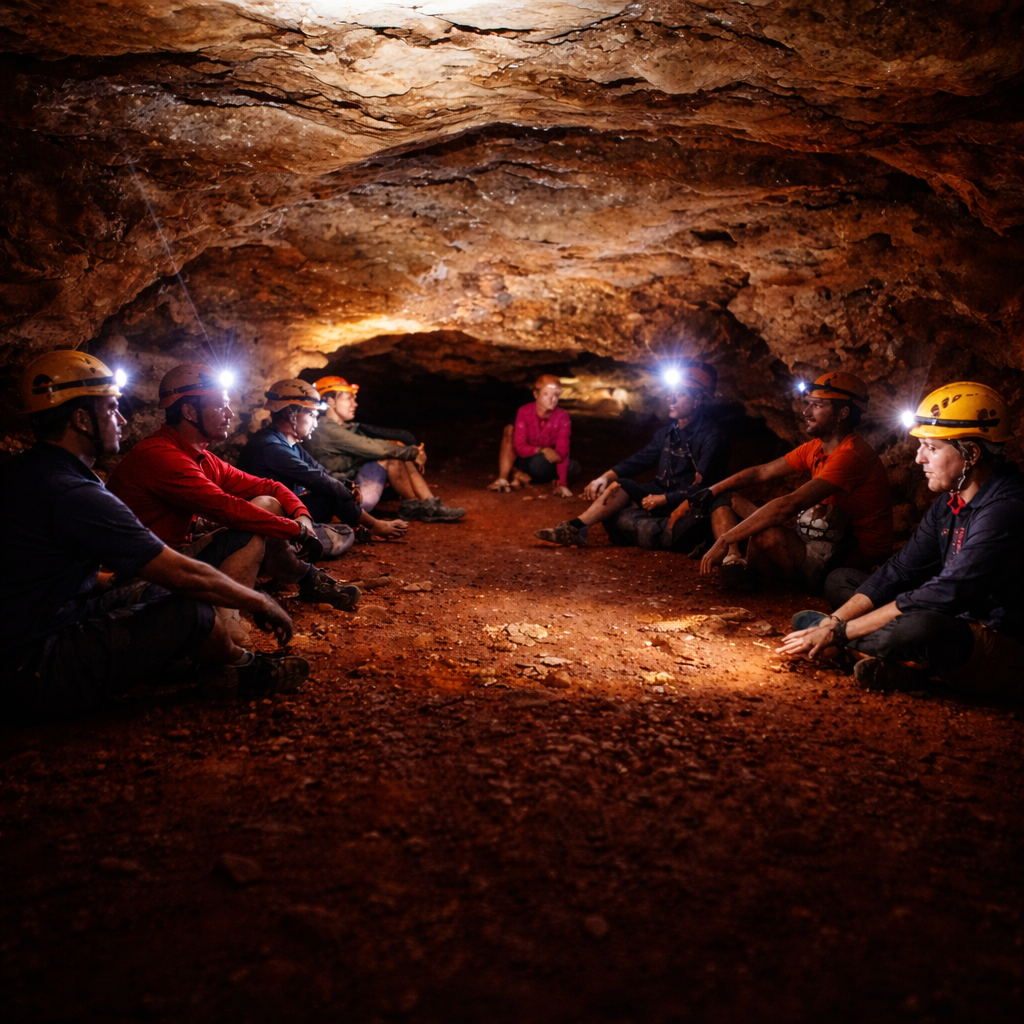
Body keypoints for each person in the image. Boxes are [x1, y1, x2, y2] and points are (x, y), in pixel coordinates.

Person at [0, 350, 309, 721]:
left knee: (160, 597)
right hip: (33, 667)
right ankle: (242, 669)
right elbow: (181, 572)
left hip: (36, 630)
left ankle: (178, 662)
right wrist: (260, 601)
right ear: (81, 420)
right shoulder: (75, 493)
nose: (122, 419)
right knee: (188, 608)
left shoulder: (25, 472)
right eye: (112, 409)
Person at [778, 381, 1023, 697]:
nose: (919, 458)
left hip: (997, 639)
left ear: (972, 453)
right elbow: (899, 571)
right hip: (948, 614)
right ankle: (894, 662)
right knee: (841, 580)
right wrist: (836, 620)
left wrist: (838, 632)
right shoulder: (950, 503)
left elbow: (946, 593)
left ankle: (854, 650)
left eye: (931, 448)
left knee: (921, 627)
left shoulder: (1008, 509)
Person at [109, 363, 360, 627]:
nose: (230, 414)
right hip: (143, 570)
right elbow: (228, 510)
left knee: (266, 505)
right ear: (189, 411)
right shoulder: (162, 456)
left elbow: (269, 487)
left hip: (170, 555)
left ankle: (304, 579)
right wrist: (295, 531)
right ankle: (230, 626)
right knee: (248, 530)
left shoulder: (201, 457)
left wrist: (302, 517)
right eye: (220, 406)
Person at [696, 372, 893, 591]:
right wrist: (712, 490)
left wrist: (725, 539)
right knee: (725, 498)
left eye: (817, 406)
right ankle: (734, 560)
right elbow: (761, 473)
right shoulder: (816, 447)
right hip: (818, 535)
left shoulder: (851, 455)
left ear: (843, 412)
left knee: (765, 531)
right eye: (808, 404)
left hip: (848, 554)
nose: (806, 412)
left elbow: (789, 504)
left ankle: (765, 581)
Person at [534, 363, 728, 549]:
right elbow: (639, 460)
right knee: (621, 486)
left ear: (699, 400)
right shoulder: (669, 433)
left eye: (681, 394)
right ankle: (576, 527)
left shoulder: (711, 436)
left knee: (675, 525)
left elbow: (706, 487)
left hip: (683, 502)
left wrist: (665, 499)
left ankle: (654, 530)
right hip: (660, 495)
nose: (672, 400)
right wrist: (604, 478)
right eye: (671, 393)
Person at [237, 379, 408, 543]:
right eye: (311, 414)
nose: (315, 423)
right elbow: (316, 479)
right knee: (337, 526)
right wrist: (347, 492)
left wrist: (346, 485)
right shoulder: (270, 446)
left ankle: (356, 528)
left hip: (288, 509)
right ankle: (363, 528)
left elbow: (321, 472)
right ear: (291, 414)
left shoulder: (290, 444)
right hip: (267, 520)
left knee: (330, 493)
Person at [303, 375, 464, 522]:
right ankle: (412, 506)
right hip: (342, 500)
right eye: (348, 398)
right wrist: (412, 452)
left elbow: (370, 448)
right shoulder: (325, 429)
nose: (355, 403)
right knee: (390, 454)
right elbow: (369, 447)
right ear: (330, 401)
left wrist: (403, 449)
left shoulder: (341, 427)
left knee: (393, 449)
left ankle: (429, 504)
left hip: (348, 488)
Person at [489, 374, 579, 497]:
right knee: (537, 463)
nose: (552, 399)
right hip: (529, 457)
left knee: (573, 467)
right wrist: (542, 450)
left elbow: (562, 452)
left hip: (545, 460)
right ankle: (506, 477)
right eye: (546, 394)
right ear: (536, 395)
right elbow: (520, 447)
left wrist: (562, 483)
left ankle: (524, 477)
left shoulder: (562, 416)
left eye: (556, 395)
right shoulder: (524, 412)